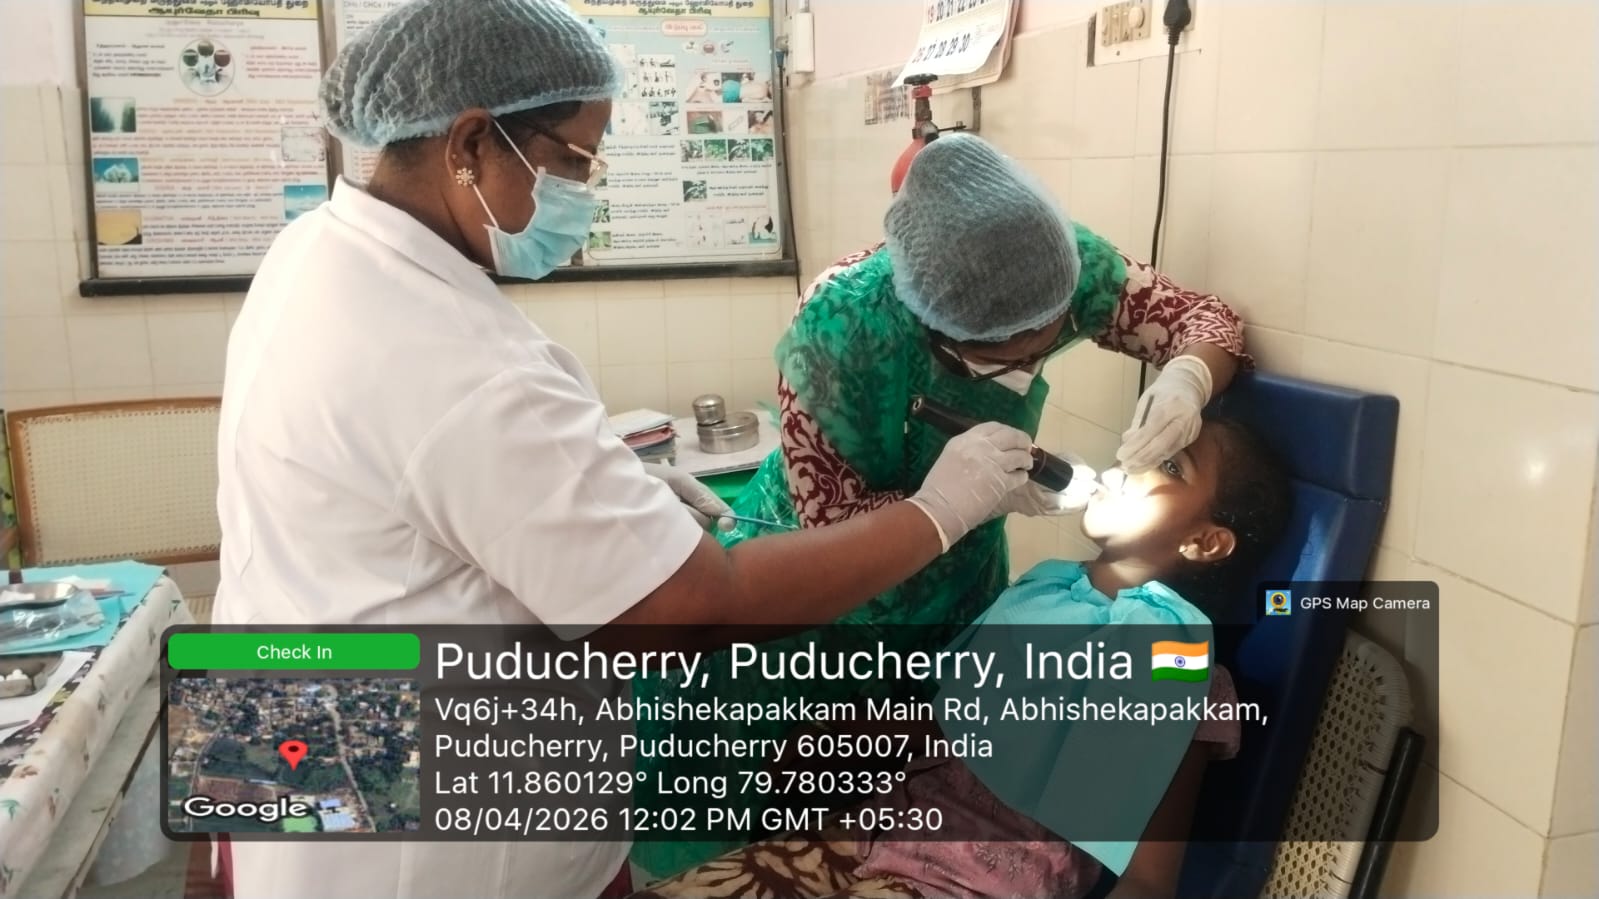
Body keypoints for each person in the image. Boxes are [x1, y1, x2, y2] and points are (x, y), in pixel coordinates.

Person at [211, 2, 1046, 898]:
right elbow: (697, 610)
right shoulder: (462, 359)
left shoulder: (318, 251)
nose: (585, 190)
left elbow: (417, 482)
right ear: (470, 143)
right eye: (574, 160)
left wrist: (599, 492)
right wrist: (942, 509)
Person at [630, 132, 1253, 877]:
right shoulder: (843, 325)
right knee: (750, 815)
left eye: (1043, 346)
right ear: (935, 330)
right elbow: (838, 532)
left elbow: (1204, 318)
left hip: (941, 809)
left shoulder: (1062, 267)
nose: (1030, 365)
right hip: (822, 585)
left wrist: (1187, 377)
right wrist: (949, 505)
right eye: (1004, 359)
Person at [630, 416, 1294, 899]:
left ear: (1206, 543)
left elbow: (1149, 880)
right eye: (1141, 449)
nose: (1132, 467)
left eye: (1171, 467)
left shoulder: (1175, 664)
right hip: (869, 832)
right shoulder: (1042, 593)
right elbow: (951, 726)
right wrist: (838, 742)